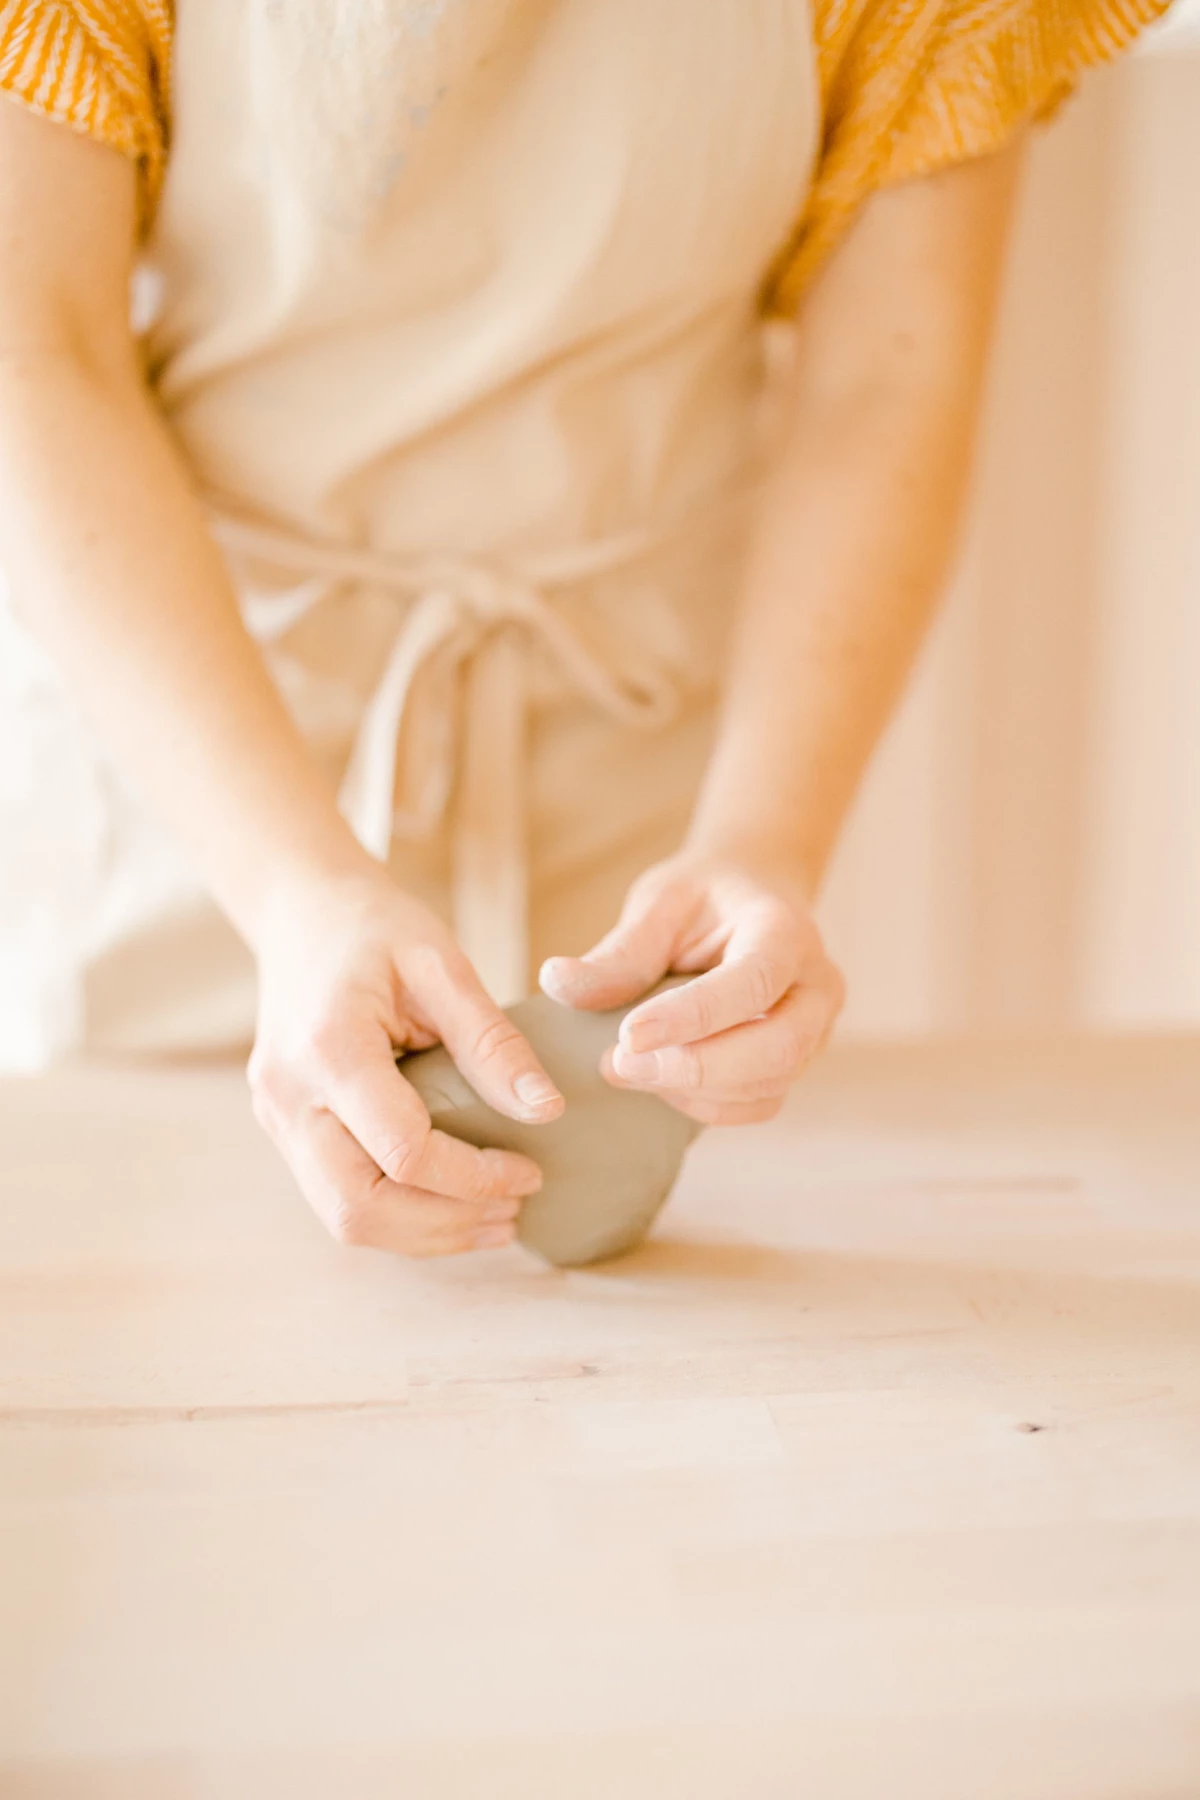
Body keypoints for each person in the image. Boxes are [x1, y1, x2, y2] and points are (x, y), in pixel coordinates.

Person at [0, 1, 1166, 1257]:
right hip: (192, 757)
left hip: (637, 797)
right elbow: (36, 349)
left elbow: (880, 386)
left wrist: (762, 844)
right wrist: (295, 893)